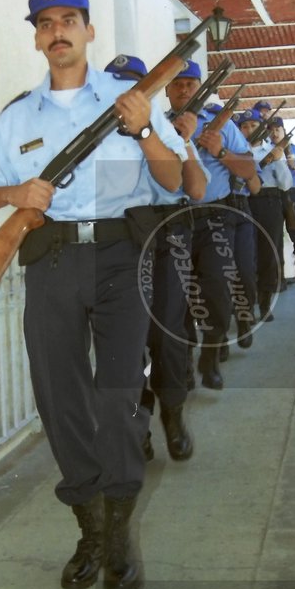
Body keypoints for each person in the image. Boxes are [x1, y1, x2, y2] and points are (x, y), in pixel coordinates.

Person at [0, 0, 187, 589]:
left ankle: (118, 537)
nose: (57, 30)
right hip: (52, 263)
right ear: (37, 39)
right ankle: (87, 527)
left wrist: (145, 133)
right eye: (44, 22)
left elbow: (173, 182)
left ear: (89, 31)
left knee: (117, 396)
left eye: (68, 19)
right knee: (59, 400)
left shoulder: (131, 100)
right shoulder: (17, 117)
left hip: (122, 257)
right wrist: (16, 195)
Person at [105, 54, 207, 463]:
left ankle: (173, 417)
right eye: (119, 86)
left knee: (167, 335)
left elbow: (196, 189)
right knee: (126, 347)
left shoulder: (164, 129)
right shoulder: (100, 133)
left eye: (135, 86)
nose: (127, 94)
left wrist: (184, 142)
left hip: (169, 235)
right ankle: (138, 427)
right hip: (120, 238)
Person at [187, 75, 257, 389]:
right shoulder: (157, 124)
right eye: (176, 83)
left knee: (216, 287)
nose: (184, 89)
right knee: (177, 297)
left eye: (191, 84)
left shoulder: (222, 126)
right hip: (172, 219)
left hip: (216, 215)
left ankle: (212, 352)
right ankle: (182, 362)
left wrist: (219, 151)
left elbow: (249, 171)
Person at [243, 110, 292, 321]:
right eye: (245, 126)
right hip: (244, 203)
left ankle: (264, 303)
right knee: (245, 256)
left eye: (254, 125)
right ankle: (245, 306)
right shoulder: (235, 152)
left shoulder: (271, 151)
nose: (249, 130)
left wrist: (278, 161)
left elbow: (286, 184)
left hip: (269, 204)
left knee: (268, 255)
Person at [269, 117, 295, 282]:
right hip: (274, 195)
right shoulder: (266, 151)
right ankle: (280, 276)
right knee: (275, 237)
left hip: (293, 194)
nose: (274, 133)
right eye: (271, 130)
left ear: (284, 131)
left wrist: (294, 166)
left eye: (278, 129)